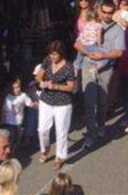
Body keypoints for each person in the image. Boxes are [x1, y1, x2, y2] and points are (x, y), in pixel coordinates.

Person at [75, 0, 125, 149]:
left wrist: (103, 56)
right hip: (88, 66)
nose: (107, 15)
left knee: (102, 101)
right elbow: (78, 43)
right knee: (89, 102)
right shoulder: (91, 24)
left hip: (105, 68)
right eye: (104, 12)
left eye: (110, 13)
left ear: (114, 12)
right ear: (100, 10)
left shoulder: (118, 30)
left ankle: (101, 125)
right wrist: (88, 54)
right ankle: (91, 135)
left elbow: (119, 52)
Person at [36, 40, 76, 170]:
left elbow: (71, 87)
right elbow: (39, 76)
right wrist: (41, 82)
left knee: (61, 131)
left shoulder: (69, 67)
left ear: (61, 54)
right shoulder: (47, 60)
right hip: (46, 99)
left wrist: (55, 86)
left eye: (55, 55)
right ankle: (45, 148)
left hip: (62, 103)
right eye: (51, 54)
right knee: (42, 129)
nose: (52, 57)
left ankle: (60, 156)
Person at [1, 78, 37, 152]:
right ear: (10, 89)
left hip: (19, 122)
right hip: (9, 121)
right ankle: (10, 150)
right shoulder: (8, 97)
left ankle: (14, 147)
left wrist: (36, 104)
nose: (16, 89)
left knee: (18, 137)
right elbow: (4, 109)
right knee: (11, 136)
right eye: (14, 88)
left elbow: (29, 103)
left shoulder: (23, 95)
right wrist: (3, 119)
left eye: (18, 87)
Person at [74, 4, 105, 77]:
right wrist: (100, 45)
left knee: (80, 54)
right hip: (92, 44)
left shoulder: (86, 24)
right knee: (104, 54)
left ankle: (77, 66)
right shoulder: (99, 25)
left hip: (84, 43)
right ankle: (97, 67)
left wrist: (82, 40)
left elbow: (82, 34)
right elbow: (99, 37)